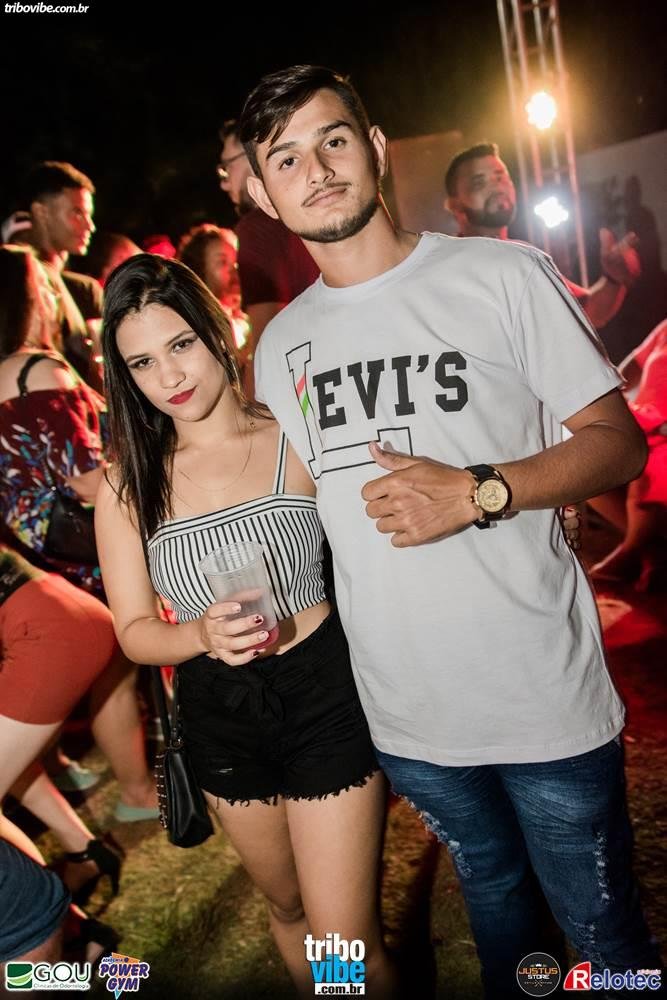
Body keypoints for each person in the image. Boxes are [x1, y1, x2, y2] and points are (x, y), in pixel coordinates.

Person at [236, 65, 661, 997]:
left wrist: (480, 491)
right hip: (410, 716)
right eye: (286, 158)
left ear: (374, 148)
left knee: (605, 934)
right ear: (262, 194)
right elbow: (294, 513)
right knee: (497, 906)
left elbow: (617, 444)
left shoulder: (499, 274)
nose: (317, 170)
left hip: (541, 692)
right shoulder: (278, 346)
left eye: (333, 140)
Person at [95, 254, 395, 998]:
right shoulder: (127, 484)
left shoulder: (295, 434)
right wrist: (199, 636)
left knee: (344, 938)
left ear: (217, 332)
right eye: (141, 363)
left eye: (180, 345)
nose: (168, 376)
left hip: (324, 695)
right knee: (289, 908)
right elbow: (133, 630)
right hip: (220, 715)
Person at [444, 142, 641, 330]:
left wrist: (613, 278)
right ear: (454, 205)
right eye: (479, 183)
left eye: (500, 177)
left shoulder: (526, 259)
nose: (496, 187)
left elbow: (588, 312)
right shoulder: (446, 270)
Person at [218, 119, 319, 396]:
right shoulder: (306, 216)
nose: (225, 184)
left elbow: (268, 339)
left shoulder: (256, 228)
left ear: (252, 160)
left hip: (304, 389)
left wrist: (252, 410)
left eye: (227, 167)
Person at [589, 317, 667, 589]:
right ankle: (652, 551)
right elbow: (628, 370)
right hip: (642, 425)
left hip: (661, 434)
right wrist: (610, 400)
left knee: (649, 465)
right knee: (587, 461)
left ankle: (631, 552)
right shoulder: (665, 329)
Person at [23, 161, 103, 389]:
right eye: (77, 213)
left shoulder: (83, 289)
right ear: (41, 212)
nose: (89, 226)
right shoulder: (20, 285)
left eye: (89, 215)